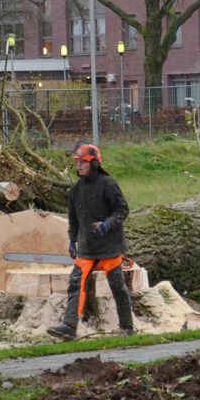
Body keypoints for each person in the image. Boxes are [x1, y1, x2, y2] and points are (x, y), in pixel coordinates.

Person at [47, 143, 134, 340]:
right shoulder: (76, 189)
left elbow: (122, 210)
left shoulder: (108, 184)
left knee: (117, 286)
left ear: (94, 163)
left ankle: (127, 327)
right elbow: (73, 217)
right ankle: (69, 326)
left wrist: (107, 224)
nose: (79, 166)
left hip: (110, 246)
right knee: (75, 284)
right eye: (77, 162)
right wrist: (72, 239)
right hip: (86, 247)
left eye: (83, 162)